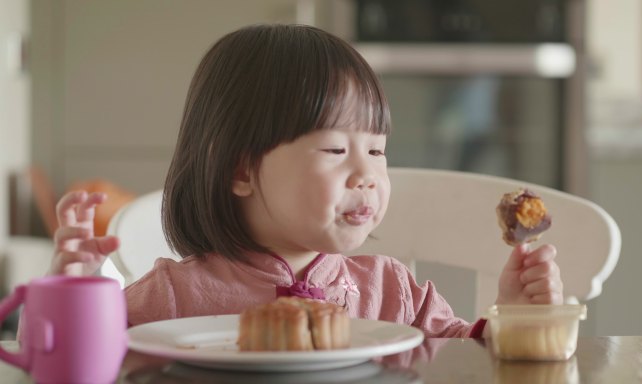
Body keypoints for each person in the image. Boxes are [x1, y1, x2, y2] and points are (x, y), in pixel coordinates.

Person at [48, 24, 562, 338]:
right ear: (240, 170)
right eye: (336, 150)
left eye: (378, 150)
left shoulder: (393, 293)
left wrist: (513, 319)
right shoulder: (174, 298)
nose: (367, 175)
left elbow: (463, 365)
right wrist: (73, 294)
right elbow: (73, 362)